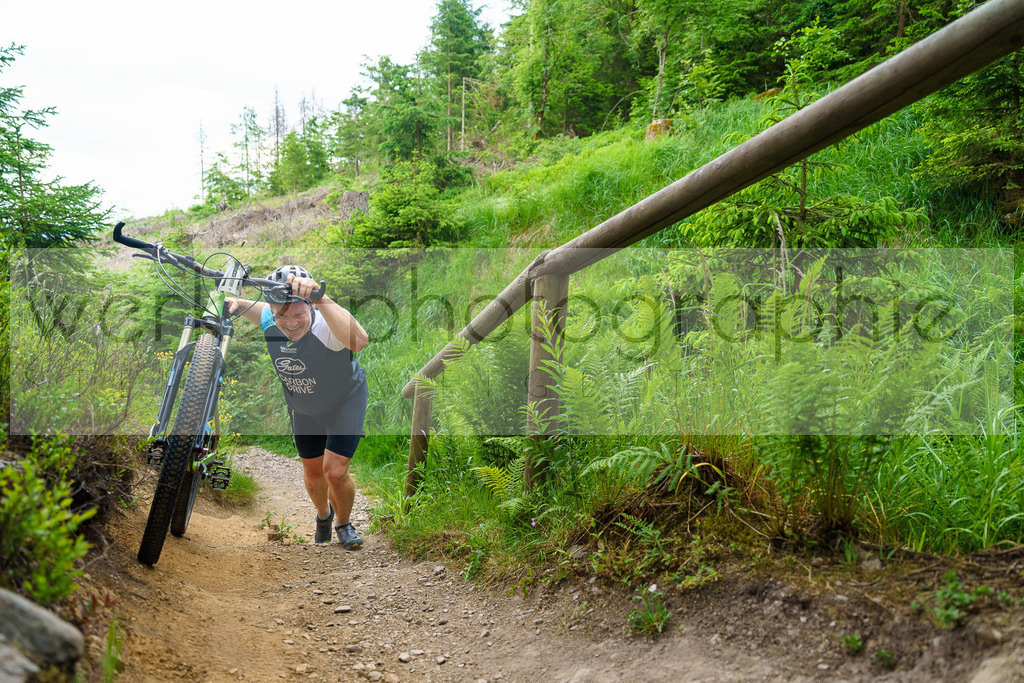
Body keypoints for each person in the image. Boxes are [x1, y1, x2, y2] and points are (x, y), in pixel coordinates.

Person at [227, 265, 369, 549]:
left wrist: (321, 298)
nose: (291, 323)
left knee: (335, 471)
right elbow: (258, 312)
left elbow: (360, 341)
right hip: (304, 407)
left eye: (298, 315)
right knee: (314, 474)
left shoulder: (325, 324)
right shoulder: (271, 315)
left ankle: (343, 523)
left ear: (310, 307)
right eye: (282, 316)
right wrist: (233, 304)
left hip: (343, 401)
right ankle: (323, 516)